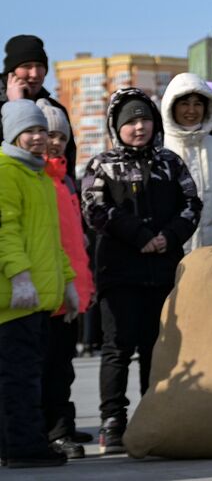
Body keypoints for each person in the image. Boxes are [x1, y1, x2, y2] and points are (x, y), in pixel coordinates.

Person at [80, 89, 202, 456]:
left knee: (158, 349)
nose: (139, 127)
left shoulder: (170, 162)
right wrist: (140, 237)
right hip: (120, 273)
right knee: (117, 349)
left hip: (164, 271)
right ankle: (112, 421)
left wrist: (168, 236)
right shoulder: (101, 165)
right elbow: (94, 209)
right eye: (131, 121)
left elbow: (192, 203)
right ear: (118, 126)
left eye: (145, 119)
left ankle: (154, 416)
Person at [1, 100, 79, 470]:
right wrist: (19, 276)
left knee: (31, 373)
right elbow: (5, 231)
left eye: (42, 132)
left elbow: (54, 241)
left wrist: (68, 284)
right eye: (29, 132)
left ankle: (16, 443)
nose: (38, 138)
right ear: (13, 135)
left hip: (40, 300)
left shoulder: (41, 177)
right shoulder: (5, 172)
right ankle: (24, 448)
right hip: (13, 300)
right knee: (20, 378)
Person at [39, 104, 93, 459]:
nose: (55, 142)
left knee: (62, 366)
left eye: (61, 136)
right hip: (45, 290)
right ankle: (52, 432)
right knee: (45, 368)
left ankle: (61, 426)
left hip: (69, 289)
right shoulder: (37, 178)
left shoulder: (65, 179)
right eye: (49, 135)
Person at [158, 73, 212, 249]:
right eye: (184, 103)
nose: (191, 110)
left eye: (197, 104)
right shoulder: (160, 149)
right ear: (171, 106)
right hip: (174, 253)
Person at [2, 35, 77, 179]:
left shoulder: (55, 109)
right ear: (11, 71)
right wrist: (16, 105)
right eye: (26, 66)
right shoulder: (2, 106)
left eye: (40, 66)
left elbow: (68, 163)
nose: (35, 74)